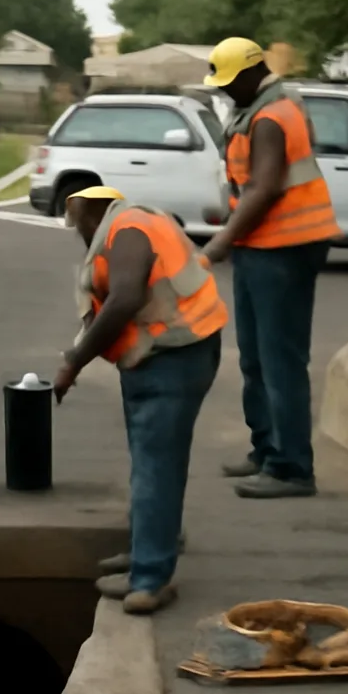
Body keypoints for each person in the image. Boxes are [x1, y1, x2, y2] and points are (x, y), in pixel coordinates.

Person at [53, 186, 227, 614]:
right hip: (168, 352)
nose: (79, 234)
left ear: (88, 212)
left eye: (77, 223)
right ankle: (147, 548)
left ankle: (152, 578)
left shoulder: (126, 230)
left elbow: (125, 298)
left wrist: (74, 362)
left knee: (156, 465)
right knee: (152, 460)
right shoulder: (136, 222)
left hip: (173, 356)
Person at [202, 37, 341, 499]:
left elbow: (264, 188)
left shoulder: (272, 115)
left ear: (250, 73)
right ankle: (266, 449)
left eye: (228, 84)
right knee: (256, 356)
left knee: (280, 359)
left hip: (286, 247)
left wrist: (220, 242)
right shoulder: (261, 107)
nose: (224, 92)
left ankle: (292, 467)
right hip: (262, 245)